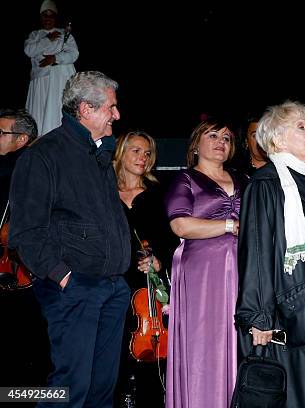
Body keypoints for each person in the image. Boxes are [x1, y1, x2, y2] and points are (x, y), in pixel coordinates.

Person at [9, 70, 130, 408]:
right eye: (111, 107)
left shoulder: (99, 153)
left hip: (111, 289)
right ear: (86, 110)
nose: (117, 115)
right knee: (67, 390)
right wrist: (65, 278)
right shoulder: (43, 155)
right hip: (75, 290)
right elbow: (25, 233)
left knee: (101, 391)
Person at [235, 101, 305, 407]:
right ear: (277, 140)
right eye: (301, 127)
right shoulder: (267, 184)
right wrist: (257, 315)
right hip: (288, 313)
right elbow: (255, 252)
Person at [164, 117, 247, 408]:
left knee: (240, 339)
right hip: (202, 272)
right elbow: (181, 226)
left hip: (242, 269)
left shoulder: (244, 180)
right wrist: (229, 226)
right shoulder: (185, 179)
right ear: (196, 145)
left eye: (226, 138)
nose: (220, 143)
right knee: (204, 344)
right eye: (212, 136)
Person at [113, 131, 178, 408]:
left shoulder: (159, 193)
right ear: (121, 153)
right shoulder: (104, 193)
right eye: (136, 151)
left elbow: (172, 238)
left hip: (148, 287)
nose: (143, 158)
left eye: (148, 153)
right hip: (113, 282)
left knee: (151, 354)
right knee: (114, 353)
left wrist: (159, 260)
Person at [0, 108, 48, 388]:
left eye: (2, 133)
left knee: (24, 345)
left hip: (22, 269)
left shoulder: (27, 164)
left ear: (21, 139)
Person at [25, 0, 79, 136]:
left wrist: (54, 58)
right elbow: (29, 51)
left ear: (55, 17)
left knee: (55, 112)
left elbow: (73, 54)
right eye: (45, 15)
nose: (48, 18)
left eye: (51, 15)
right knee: (39, 114)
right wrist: (48, 39)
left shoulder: (64, 34)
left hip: (57, 81)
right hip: (40, 81)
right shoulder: (35, 35)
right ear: (40, 17)